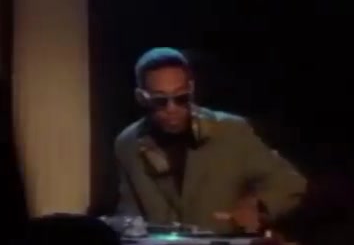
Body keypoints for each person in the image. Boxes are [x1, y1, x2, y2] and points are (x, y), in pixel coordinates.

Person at [114, 47, 307, 234]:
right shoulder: (128, 144)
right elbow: (128, 214)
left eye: (181, 98)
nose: (172, 109)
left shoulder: (231, 132)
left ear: (192, 89)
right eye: (160, 101)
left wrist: (259, 208)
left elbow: (291, 183)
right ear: (141, 97)